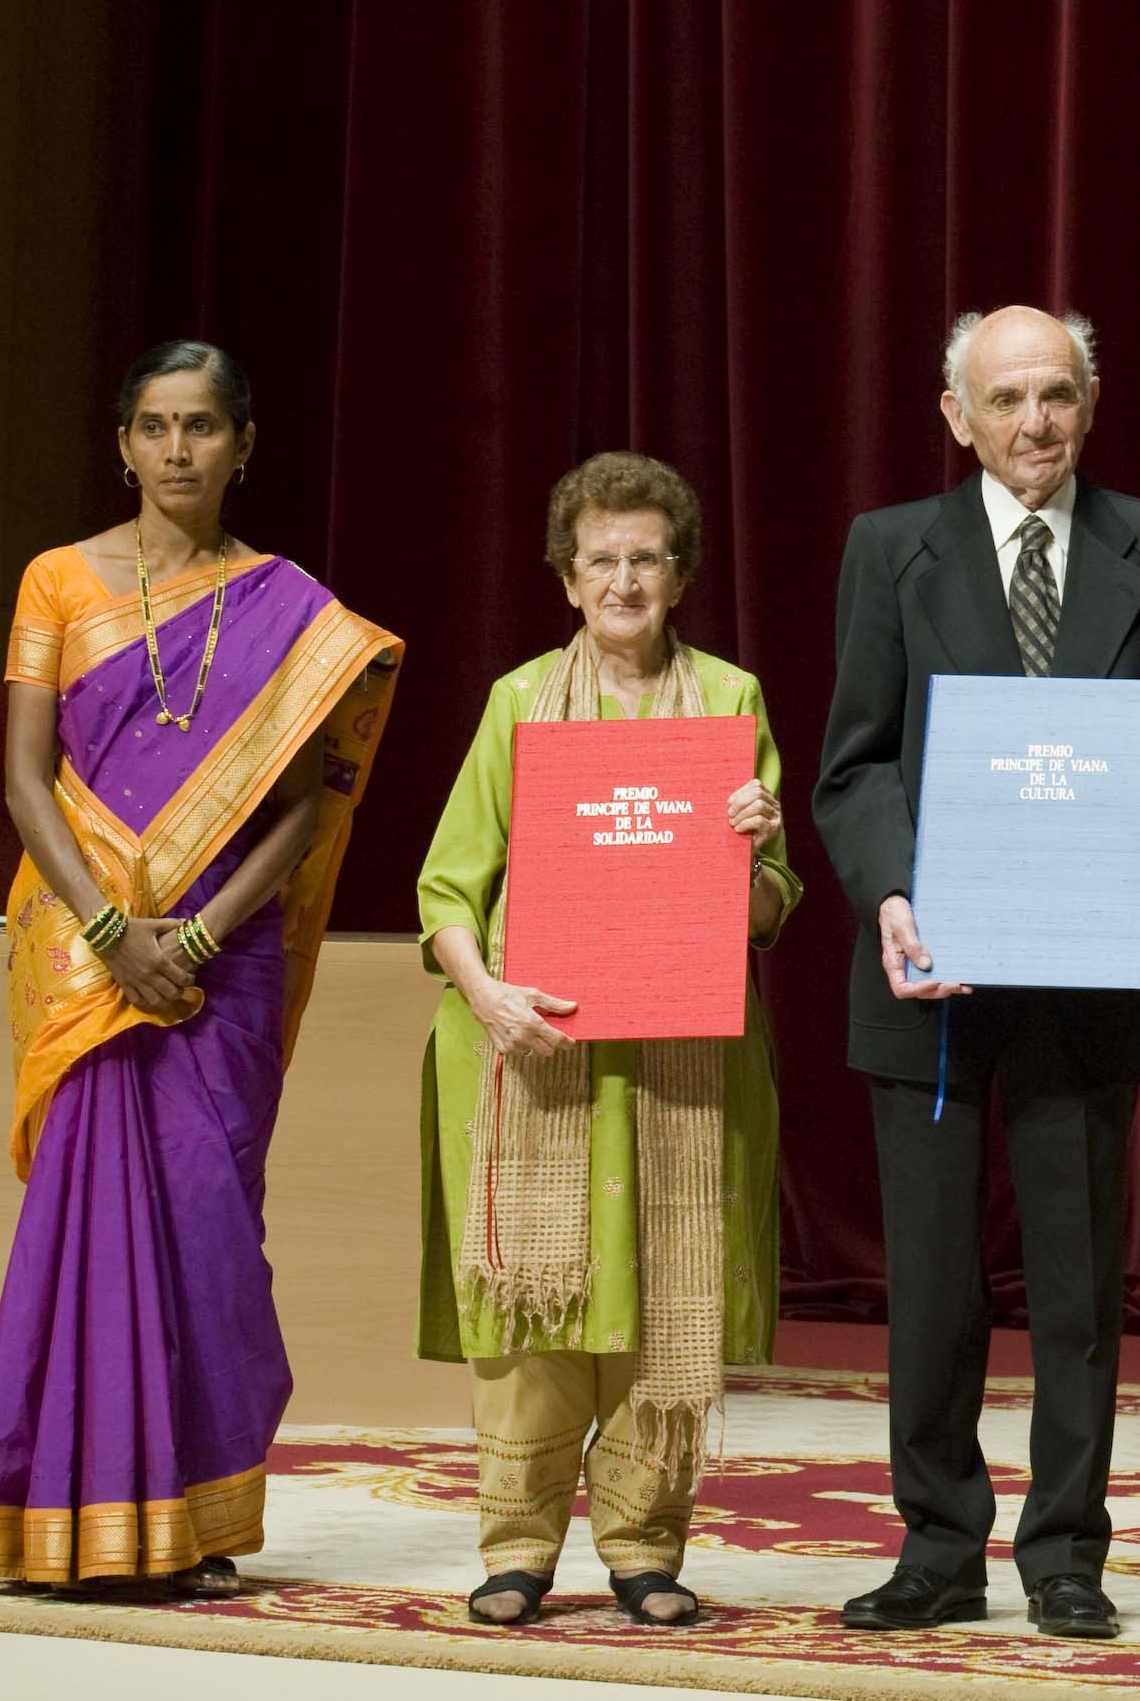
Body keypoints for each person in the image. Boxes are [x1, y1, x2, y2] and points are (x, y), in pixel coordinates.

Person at [0, 342, 401, 1590]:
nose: (180, 449)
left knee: (208, 1227)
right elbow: (22, 779)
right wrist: (110, 932)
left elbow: (306, 807)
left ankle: (193, 1520)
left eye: (204, 426)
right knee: (82, 1225)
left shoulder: (293, 608)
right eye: (156, 426)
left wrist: (195, 937)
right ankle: (64, 1513)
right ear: (124, 444)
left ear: (243, 443)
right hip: (91, 952)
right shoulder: (58, 582)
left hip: (224, 960)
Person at [816, 306, 1140, 1642]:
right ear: (957, 416)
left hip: (1084, 970)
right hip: (930, 969)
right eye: (1005, 400)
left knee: (1076, 1288)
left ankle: (1067, 1553)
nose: (1033, 424)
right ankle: (937, 1545)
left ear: (1091, 404)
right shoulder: (891, 550)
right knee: (933, 1285)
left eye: (1056, 395)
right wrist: (891, 891)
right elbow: (856, 761)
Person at [416, 452, 801, 1629]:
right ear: (566, 580)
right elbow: (446, 892)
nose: (624, 579)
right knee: (539, 1307)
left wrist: (752, 842)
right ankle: (518, 1549)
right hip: (535, 1050)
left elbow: (774, 901)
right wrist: (488, 997)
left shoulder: (729, 701)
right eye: (602, 560)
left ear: (679, 574)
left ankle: (644, 1547)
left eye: (647, 557)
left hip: (682, 1059)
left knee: (661, 1298)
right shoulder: (521, 701)